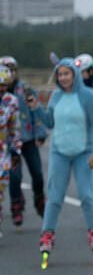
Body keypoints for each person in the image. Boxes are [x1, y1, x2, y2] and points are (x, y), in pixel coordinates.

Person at [38, 57, 93, 261]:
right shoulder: (56, 97)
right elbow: (49, 122)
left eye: (67, 74)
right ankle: (47, 234)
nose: (64, 78)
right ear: (56, 77)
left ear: (75, 75)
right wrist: (36, 109)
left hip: (83, 153)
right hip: (59, 152)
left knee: (86, 194)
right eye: (60, 74)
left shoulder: (88, 96)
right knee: (55, 196)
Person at [0, 56, 48, 225]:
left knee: (37, 173)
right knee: (14, 175)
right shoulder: (3, 92)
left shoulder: (25, 88)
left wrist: (40, 132)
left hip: (27, 138)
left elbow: (35, 110)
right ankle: (16, 205)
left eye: (12, 70)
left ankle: (40, 198)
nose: (10, 75)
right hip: (6, 143)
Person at [0, 64, 22, 236]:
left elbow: (14, 128)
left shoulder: (11, 101)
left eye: (4, 84)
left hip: (2, 150)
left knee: (1, 187)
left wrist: (16, 151)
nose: (2, 88)